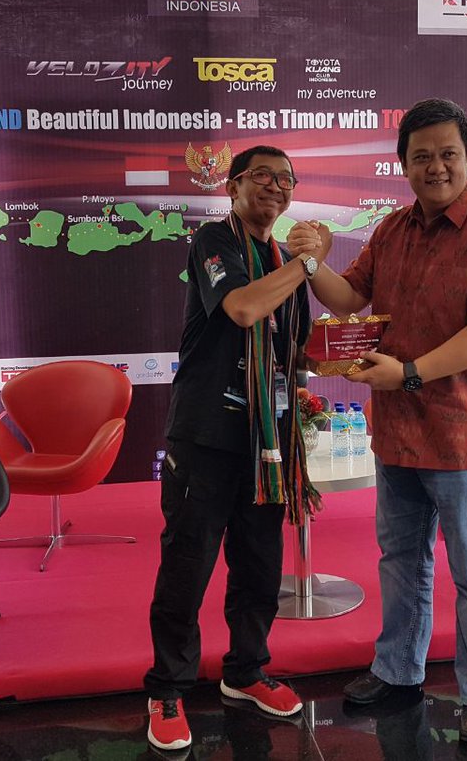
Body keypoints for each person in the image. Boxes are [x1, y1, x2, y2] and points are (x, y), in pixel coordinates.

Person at [287, 98, 467, 744]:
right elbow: (349, 296)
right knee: (401, 559)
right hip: (399, 430)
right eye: (421, 156)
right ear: (403, 164)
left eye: (448, 154)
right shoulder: (393, 229)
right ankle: (398, 670)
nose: (436, 167)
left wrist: (412, 372)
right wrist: (312, 263)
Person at [144, 145, 320, 752]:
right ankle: (167, 689)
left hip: (264, 442)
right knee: (187, 566)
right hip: (206, 436)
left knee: (260, 566)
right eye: (262, 176)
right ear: (234, 187)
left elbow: (293, 346)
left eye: (286, 179)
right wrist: (307, 262)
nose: (276, 186)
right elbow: (245, 308)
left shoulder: (281, 261)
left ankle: (246, 671)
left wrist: (349, 351)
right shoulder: (213, 242)